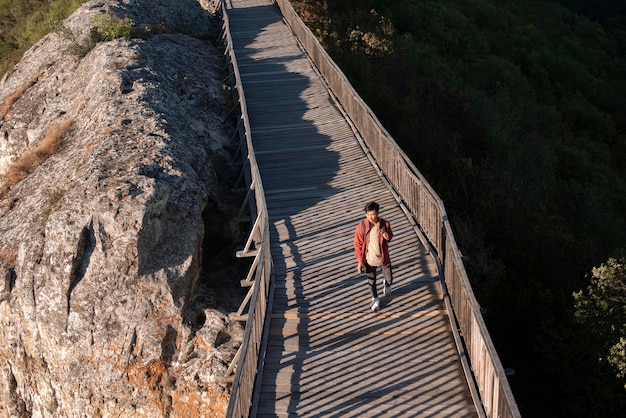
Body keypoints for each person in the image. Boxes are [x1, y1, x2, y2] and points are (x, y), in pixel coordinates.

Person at [353, 201, 394, 311]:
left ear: (378, 213)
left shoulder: (385, 224)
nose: (370, 217)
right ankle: (375, 298)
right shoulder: (361, 227)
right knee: (371, 281)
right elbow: (358, 245)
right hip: (369, 259)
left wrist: (387, 236)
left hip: (383, 259)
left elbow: (390, 236)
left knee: (389, 278)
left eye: (373, 214)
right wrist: (360, 262)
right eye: (368, 214)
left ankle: (387, 283)